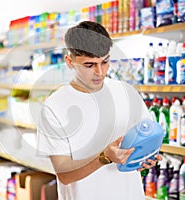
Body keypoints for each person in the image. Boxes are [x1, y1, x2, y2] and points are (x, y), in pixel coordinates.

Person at [36, 21, 162, 200]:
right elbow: (64, 175)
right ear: (69, 61)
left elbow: (145, 140)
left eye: (105, 62)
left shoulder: (126, 92)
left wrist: (146, 158)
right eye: (89, 65)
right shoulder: (55, 106)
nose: (100, 72)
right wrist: (104, 158)